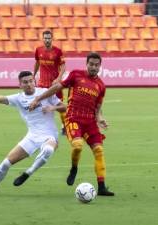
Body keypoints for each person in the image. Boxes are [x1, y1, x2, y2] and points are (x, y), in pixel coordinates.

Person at [0, 71, 66, 195]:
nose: (29, 84)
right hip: (32, 137)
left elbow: (64, 106)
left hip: (49, 136)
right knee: (5, 164)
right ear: (20, 85)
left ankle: (28, 172)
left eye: (30, 81)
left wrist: (53, 108)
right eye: (25, 82)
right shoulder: (18, 98)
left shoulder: (45, 93)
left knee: (48, 150)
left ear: (34, 81)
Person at [29, 52, 114, 196]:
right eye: (91, 64)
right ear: (86, 64)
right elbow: (57, 88)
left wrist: (100, 119)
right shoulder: (76, 75)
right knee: (77, 146)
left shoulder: (101, 86)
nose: (93, 67)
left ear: (100, 66)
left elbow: (98, 108)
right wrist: (39, 98)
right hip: (74, 119)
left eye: (96, 65)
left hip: (90, 122)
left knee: (99, 151)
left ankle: (101, 187)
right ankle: (74, 168)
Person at [34, 30, 66, 133]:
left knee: (60, 107)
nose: (47, 40)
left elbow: (63, 66)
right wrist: (33, 75)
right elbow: (37, 63)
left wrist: (59, 79)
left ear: (52, 39)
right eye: (45, 38)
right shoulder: (38, 50)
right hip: (42, 84)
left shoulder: (57, 51)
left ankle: (64, 126)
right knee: (39, 105)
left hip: (54, 85)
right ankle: (41, 127)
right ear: (43, 39)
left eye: (49, 38)